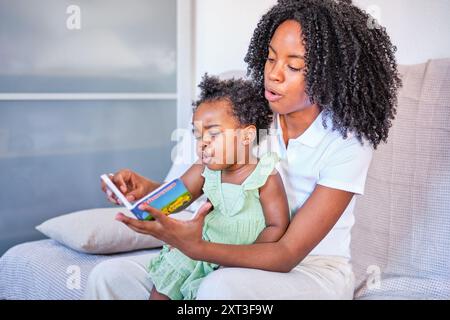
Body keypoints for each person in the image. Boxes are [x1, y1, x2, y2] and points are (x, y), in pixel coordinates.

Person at [84, 0, 401, 300]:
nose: (273, 73)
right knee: (108, 277)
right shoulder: (251, 114)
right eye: (271, 57)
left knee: (220, 288)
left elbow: (286, 253)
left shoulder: (346, 142)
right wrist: (145, 194)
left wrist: (199, 250)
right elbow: (192, 185)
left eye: (293, 66)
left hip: (310, 269)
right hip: (223, 250)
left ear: (329, 76)